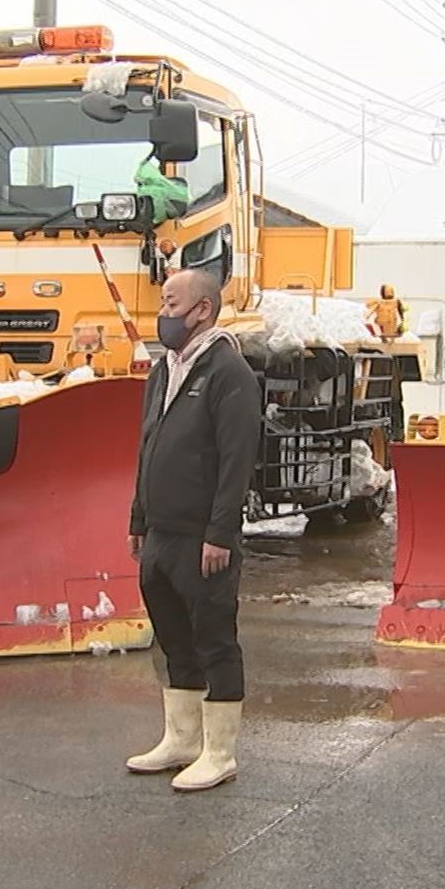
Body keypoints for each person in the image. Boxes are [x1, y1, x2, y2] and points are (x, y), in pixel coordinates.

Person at [124, 266, 262, 792]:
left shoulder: (229, 372)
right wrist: (139, 517)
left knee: (214, 639)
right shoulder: (164, 371)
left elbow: (236, 460)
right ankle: (181, 740)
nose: (163, 313)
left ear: (202, 310)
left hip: (202, 537)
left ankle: (219, 753)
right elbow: (147, 446)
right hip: (160, 534)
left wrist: (220, 533)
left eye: (171, 303)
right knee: (173, 639)